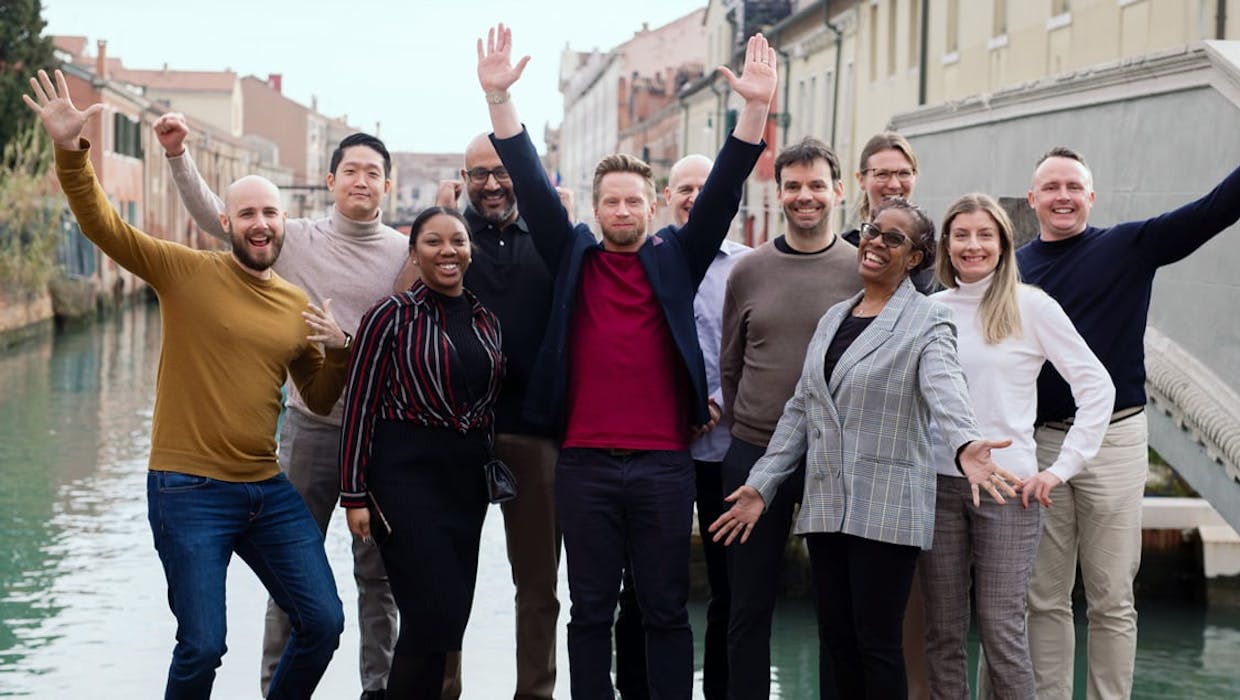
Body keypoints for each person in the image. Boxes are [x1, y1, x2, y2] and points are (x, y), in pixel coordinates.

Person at [24, 69, 351, 698]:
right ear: (226, 222)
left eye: (271, 214)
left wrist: (339, 351)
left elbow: (316, 396)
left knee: (325, 622)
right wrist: (70, 150)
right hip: (188, 489)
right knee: (202, 646)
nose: (261, 224)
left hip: (264, 490)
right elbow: (103, 227)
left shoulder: (294, 302)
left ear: (283, 224)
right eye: (248, 213)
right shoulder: (185, 272)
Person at [477, 23, 776, 698]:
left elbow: (726, 188)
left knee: (667, 610)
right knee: (589, 612)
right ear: (594, 208)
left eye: (632, 201)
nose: (620, 210)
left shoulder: (676, 259)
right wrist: (499, 99)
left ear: (653, 207)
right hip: (582, 465)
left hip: (663, 467)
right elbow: (526, 176)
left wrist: (755, 110)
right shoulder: (573, 257)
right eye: (609, 200)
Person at [710, 197, 1021, 699]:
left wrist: (965, 444)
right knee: (836, 641)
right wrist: (761, 486)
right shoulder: (835, 317)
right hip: (828, 505)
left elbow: (945, 387)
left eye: (893, 238)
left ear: (916, 257)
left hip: (887, 507)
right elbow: (801, 410)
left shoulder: (927, 322)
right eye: (874, 230)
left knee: (877, 645)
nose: (876, 242)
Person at [154, 114, 405, 699]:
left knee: (379, 580)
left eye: (373, 173)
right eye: (351, 171)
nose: (361, 181)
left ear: (387, 187)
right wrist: (177, 156)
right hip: (310, 431)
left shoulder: (405, 253)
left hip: (380, 437)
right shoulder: (293, 238)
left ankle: (378, 689)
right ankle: (277, 688)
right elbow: (216, 215)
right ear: (330, 180)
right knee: (292, 581)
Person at [1017, 148, 1240, 698]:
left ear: (1090, 196)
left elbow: (1213, 210)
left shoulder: (1128, 245)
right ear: (1032, 200)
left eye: (1073, 186)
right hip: (1040, 445)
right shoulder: (1011, 266)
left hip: (1113, 441)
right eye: (1051, 187)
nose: (1063, 196)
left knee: (1112, 597)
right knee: (1041, 597)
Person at [921, 193, 1113, 699]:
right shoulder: (928, 310)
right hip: (937, 485)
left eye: (985, 234)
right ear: (946, 244)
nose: (972, 245)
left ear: (1004, 244)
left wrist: (1061, 469)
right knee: (941, 633)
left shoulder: (1031, 306)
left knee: (1001, 630)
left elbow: (1097, 385)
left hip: (1009, 488)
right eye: (961, 234)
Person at [339, 206, 504, 698]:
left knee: (449, 622)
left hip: (465, 483)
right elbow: (360, 405)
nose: (447, 251)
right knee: (427, 614)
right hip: (403, 478)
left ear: (470, 251)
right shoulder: (388, 317)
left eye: (457, 240)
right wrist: (354, 494)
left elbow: (488, 401)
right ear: (413, 253)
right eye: (433, 241)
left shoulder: (485, 319)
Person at [717, 136, 861, 699]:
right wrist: (756, 429)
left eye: (817, 186)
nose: (806, 197)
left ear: (838, 191)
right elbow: (732, 364)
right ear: (777, 194)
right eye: (794, 187)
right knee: (746, 606)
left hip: (837, 456)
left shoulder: (862, 270)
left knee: (836, 608)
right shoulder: (749, 270)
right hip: (754, 453)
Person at [427, 132, 561, 700]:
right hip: (457, 435)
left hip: (536, 433)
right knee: (445, 580)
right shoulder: (451, 243)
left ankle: (535, 694)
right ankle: (441, 690)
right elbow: (403, 301)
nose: (490, 184)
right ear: (464, 179)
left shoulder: (555, 242)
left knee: (538, 587)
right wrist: (440, 217)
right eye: (477, 174)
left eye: (501, 172)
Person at [613, 154, 750, 700]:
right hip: (655, 450)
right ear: (666, 196)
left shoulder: (748, 266)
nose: (696, 196)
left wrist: (712, 402)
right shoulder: (641, 260)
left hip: (726, 449)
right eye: (685, 187)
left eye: (705, 187)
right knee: (641, 588)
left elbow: (753, 350)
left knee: (729, 588)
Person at [842, 132, 935, 294]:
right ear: (861, 180)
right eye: (882, 174)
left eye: (904, 173)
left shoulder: (935, 258)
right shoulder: (844, 251)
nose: (894, 184)